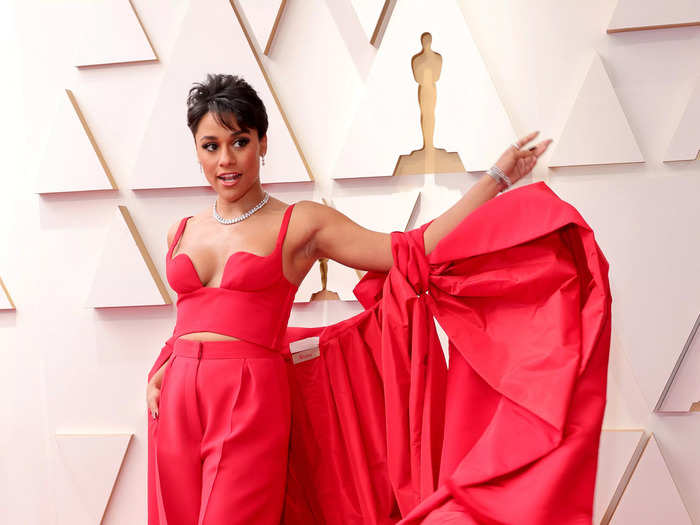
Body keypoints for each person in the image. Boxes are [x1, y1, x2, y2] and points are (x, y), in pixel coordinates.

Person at [145, 72, 552, 525]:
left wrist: (495, 179)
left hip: (248, 395)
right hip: (178, 396)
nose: (226, 159)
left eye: (239, 141)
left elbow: (409, 250)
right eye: (211, 145)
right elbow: (190, 319)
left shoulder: (301, 223)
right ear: (197, 150)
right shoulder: (180, 229)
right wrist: (164, 365)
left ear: (262, 143)